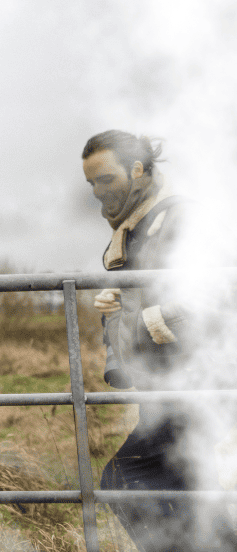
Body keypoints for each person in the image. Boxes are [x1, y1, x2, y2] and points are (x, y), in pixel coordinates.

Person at [82, 129, 236, 552]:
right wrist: (112, 314)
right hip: (163, 386)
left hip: (197, 379)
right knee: (187, 487)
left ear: (137, 170)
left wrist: (138, 320)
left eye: (107, 179)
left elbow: (217, 289)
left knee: (125, 477)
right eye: (91, 183)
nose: (98, 192)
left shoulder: (181, 218)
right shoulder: (128, 233)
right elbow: (139, 305)